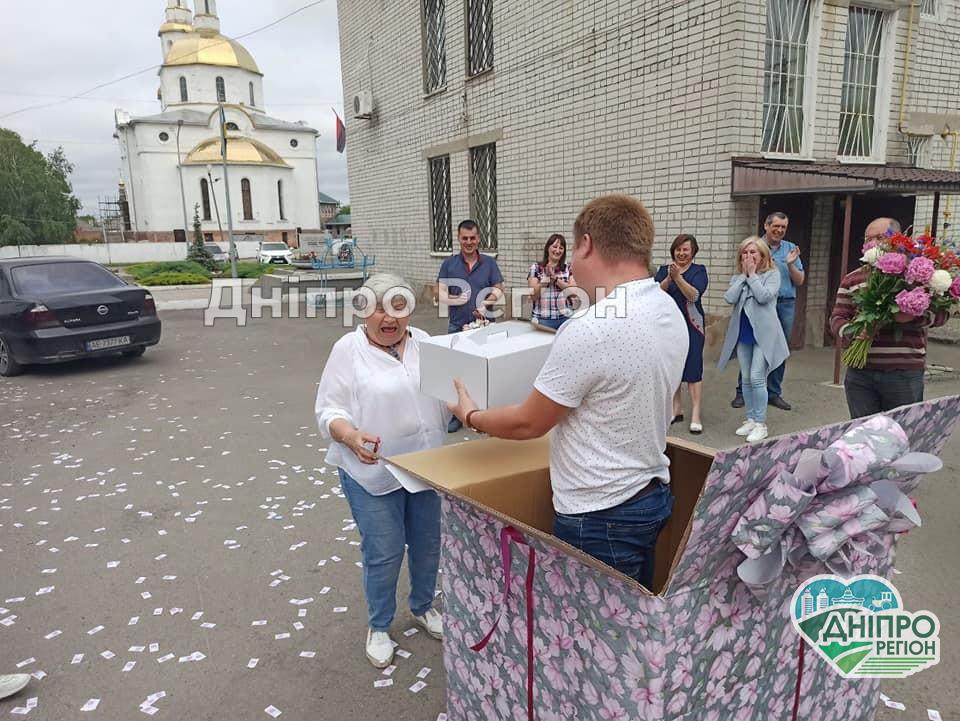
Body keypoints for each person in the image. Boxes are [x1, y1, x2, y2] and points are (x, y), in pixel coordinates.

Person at [449, 194, 689, 590]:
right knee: (631, 627)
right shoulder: (665, 309)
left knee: (596, 638)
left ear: (587, 245)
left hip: (600, 512)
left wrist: (471, 416)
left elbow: (529, 423)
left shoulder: (592, 326)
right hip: (650, 495)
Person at [314, 273, 447, 669]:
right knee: (385, 552)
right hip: (373, 471)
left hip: (425, 466)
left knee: (428, 544)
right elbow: (329, 410)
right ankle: (379, 625)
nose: (388, 316)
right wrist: (349, 435)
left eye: (398, 306)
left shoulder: (425, 342)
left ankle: (423, 606)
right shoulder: (348, 349)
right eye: (377, 306)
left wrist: (469, 410)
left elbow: (446, 395)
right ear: (363, 311)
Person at [830, 217, 950, 418]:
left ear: (897, 240)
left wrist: (911, 316)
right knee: (864, 435)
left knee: (902, 433)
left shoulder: (917, 276)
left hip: (903, 372)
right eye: (867, 239)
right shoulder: (853, 278)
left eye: (878, 237)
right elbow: (837, 317)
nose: (871, 243)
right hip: (861, 372)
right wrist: (854, 331)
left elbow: (941, 314)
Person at [719, 237, 790, 444]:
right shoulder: (737, 278)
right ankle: (750, 417)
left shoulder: (772, 275)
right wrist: (744, 276)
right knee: (747, 378)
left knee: (758, 377)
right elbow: (729, 298)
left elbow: (764, 296)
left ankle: (761, 423)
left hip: (764, 335)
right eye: (745, 253)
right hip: (744, 333)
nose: (748, 256)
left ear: (762, 256)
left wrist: (751, 276)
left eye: (753, 253)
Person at [731, 212, 804, 411]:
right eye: (776, 226)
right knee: (750, 347)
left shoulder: (790, 249)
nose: (779, 230)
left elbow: (799, 281)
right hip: (757, 305)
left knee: (778, 349)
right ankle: (742, 392)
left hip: (784, 303)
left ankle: (773, 392)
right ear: (766, 225)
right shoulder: (754, 246)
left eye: (783, 227)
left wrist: (790, 264)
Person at [438, 220, 505, 432]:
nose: (469, 242)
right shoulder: (449, 264)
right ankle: (458, 414)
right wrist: (456, 300)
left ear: (478, 239)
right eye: (465, 238)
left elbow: (499, 288)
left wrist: (486, 303)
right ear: (458, 239)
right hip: (458, 325)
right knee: (457, 370)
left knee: (485, 367)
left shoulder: (489, 263)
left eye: (472, 238)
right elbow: (439, 292)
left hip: (485, 325)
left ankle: (486, 412)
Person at [655, 234, 708, 434]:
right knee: (673, 367)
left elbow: (694, 295)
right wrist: (670, 277)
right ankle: (676, 408)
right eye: (678, 249)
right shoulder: (664, 270)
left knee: (693, 369)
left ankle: (696, 413)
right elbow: (656, 293)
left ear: (693, 252)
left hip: (692, 326)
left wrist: (679, 278)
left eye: (686, 249)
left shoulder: (699, 271)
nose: (681, 253)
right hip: (668, 326)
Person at [528, 234, 576, 330]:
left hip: (565, 318)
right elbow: (533, 296)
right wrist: (546, 278)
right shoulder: (536, 267)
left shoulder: (568, 268)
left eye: (561, 248)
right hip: (542, 320)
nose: (557, 251)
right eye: (554, 247)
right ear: (547, 248)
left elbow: (574, 292)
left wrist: (555, 279)